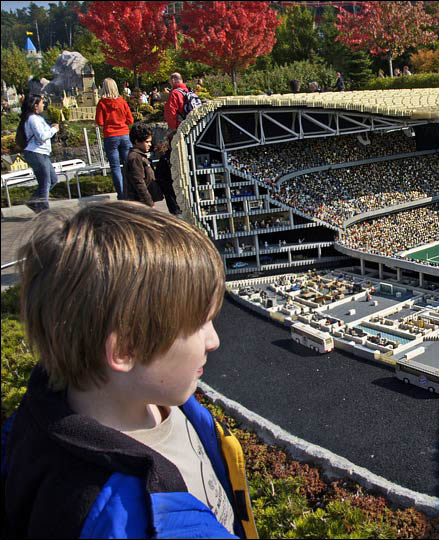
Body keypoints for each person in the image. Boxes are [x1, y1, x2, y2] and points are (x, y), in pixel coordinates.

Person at [1, 201, 258, 538]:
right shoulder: (123, 520)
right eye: (201, 324)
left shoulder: (39, 421)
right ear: (126, 349)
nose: (214, 341)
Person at [19, 94, 60, 213]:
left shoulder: (38, 118)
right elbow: (41, 136)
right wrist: (54, 130)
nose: (43, 105)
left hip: (42, 153)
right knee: (45, 182)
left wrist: (50, 128)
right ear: (35, 105)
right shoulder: (32, 119)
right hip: (36, 153)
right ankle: (44, 211)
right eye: (41, 103)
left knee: (52, 179)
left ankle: (34, 201)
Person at [95, 78, 134, 199]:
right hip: (124, 134)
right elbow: (130, 120)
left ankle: (122, 195)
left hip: (110, 136)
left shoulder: (102, 103)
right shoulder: (122, 102)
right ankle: (133, 192)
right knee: (129, 165)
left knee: (115, 167)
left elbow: (99, 122)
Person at [124, 124, 157, 207]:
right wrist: (149, 202)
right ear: (137, 141)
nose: (150, 144)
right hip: (140, 203)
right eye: (147, 142)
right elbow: (139, 182)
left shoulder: (141, 156)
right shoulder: (135, 158)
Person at [153, 131, 182, 216]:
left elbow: (159, 177)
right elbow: (160, 178)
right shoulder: (165, 159)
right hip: (173, 197)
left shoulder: (165, 158)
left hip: (173, 198)